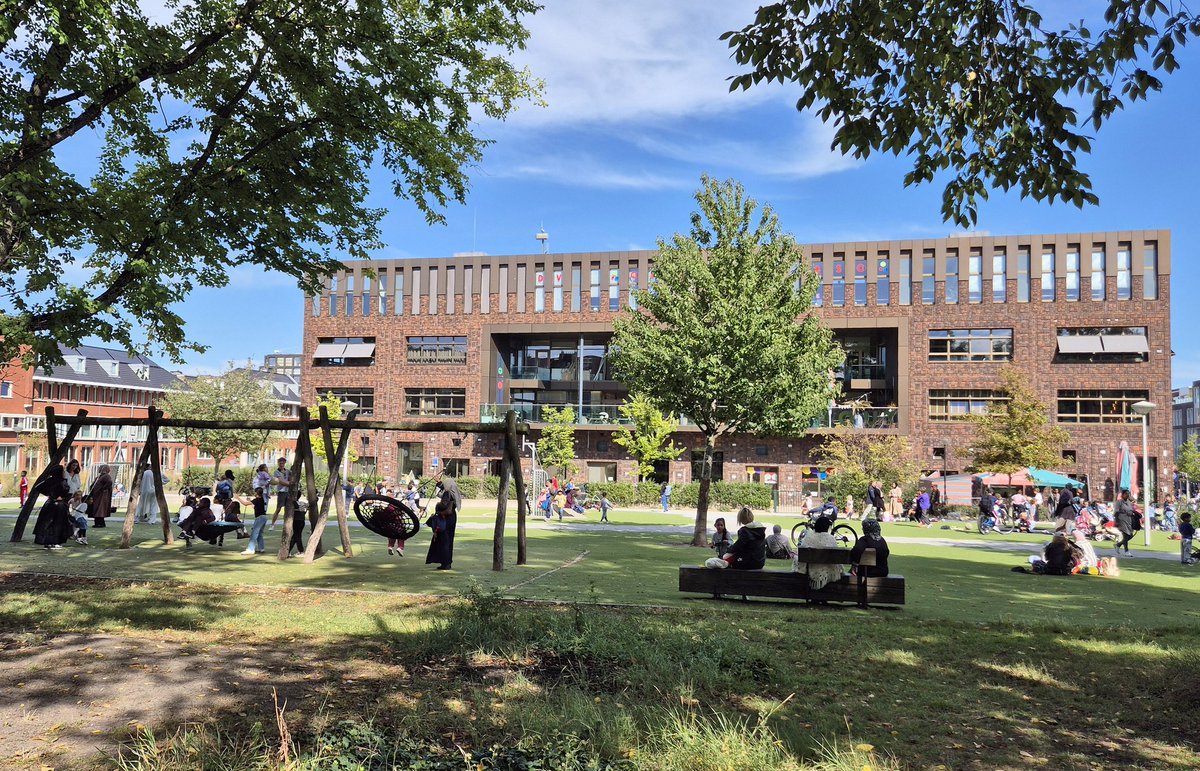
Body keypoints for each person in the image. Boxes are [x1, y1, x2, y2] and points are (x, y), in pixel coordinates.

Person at [794, 515, 843, 589]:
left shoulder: (809, 537)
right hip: (828, 569)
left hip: (811, 569)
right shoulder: (831, 538)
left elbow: (801, 553)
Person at [32, 466, 73, 550]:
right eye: (63, 471)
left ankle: (48, 542)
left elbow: (38, 487)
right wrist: (58, 496)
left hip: (49, 504)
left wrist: (50, 495)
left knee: (48, 523)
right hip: (59, 506)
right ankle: (55, 542)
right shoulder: (62, 481)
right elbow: (67, 492)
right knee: (58, 523)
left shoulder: (49, 481)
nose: (64, 472)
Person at [425, 498, 455, 569]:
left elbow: (448, 511)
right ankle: (445, 563)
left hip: (441, 530)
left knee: (444, 546)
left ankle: (445, 563)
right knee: (446, 545)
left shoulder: (437, 517)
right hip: (443, 529)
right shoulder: (440, 518)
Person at [239, 488, 269, 556]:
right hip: (264, 517)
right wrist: (250, 501)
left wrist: (238, 498)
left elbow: (245, 504)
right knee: (259, 533)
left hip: (260, 518)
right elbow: (255, 507)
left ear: (256, 493)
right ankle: (261, 548)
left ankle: (250, 549)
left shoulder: (257, 499)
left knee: (254, 533)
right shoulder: (261, 499)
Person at [86, 464, 113, 528]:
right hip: (97, 495)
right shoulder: (101, 476)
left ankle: (99, 523)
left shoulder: (106, 476)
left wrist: (103, 489)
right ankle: (100, 523)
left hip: (101, 496)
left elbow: (109, 482)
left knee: (99, 509)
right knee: (97, 509)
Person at [1113, 490, 1137, 556]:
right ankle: (1126, 551)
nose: (1127, 495)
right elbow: (1116, 512)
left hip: (1128, 520)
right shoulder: (1119, 502)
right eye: (1126, 494)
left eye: (1128, 494)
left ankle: (1118, 544)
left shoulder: (1129, 502)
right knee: (1126, 535)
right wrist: (1117, 521)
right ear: (1122, 494)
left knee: (1130, 535)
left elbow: (1131, 510)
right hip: (1122, 519)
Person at [270, 458, 290, 528]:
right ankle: (272, 524)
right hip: (281, 492)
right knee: (278, 508)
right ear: (278, 463)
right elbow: (281, 481)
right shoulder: (276, 472)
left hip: (288, 492)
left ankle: (286, 524)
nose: (281, 465)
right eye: (280, 463)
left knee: (287, 509)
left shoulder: (288, 471)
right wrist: (291, 484)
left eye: (283, 463)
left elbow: (291, 477)